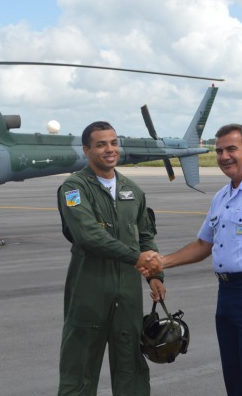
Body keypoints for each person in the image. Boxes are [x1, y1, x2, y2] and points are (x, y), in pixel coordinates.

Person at [142, 124, 242, 396]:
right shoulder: (222, 197)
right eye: (219, 151)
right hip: (228, 293)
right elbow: (204, 244)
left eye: (231, 149)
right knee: (235, 377)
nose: (224, 156)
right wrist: (162, 263)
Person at [57, 121, 165, 396]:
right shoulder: (74, 188)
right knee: (78, 369)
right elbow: (89, 236)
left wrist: (155, 276)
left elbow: (145, 235)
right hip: (89, 292)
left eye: (114, 142)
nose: (110, 149)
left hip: (128, 295)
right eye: (101, 144)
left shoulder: (133, 190)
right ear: (86, 149)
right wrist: (140, 259)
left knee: (132, 369)